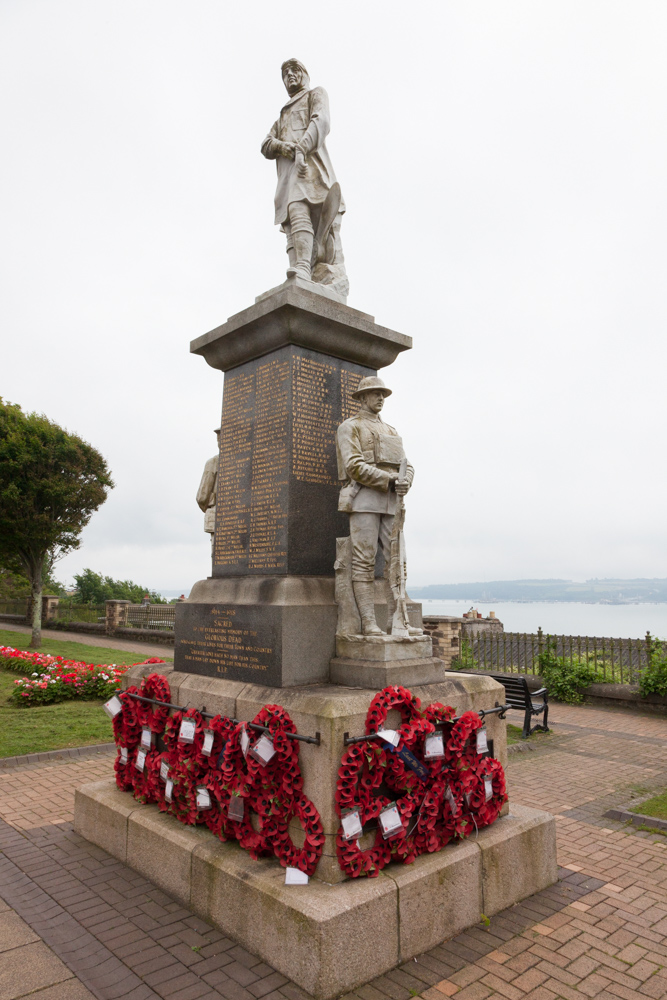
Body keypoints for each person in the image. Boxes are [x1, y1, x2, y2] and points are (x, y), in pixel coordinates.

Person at [336, 377, 420, 636]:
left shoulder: (391, 430)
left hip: (392, 502)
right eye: (374, 394)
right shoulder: (350, 427)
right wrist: (389, 479)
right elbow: (353, 465)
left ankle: (398, 621)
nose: (381, 398)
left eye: (382, 394)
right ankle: (368, 623)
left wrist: (406, 480)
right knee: (364, 561)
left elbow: (407, 464)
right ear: (362, 398)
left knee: (396, 562)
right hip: (365, 500)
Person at [261, 59, 348, 299]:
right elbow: (266, 145)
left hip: (310, 170)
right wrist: (285, 148)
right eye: (285, 73)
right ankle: (301, 267)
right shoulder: (282, 116)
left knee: (300, 210)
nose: (289, 75)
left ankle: (305, 266)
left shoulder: (315, 94)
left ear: (305, 74)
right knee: (292, 221)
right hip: (289, 179)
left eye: (294, 70)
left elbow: (321, 122)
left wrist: (301, 148)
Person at [196, 428, 220, 554]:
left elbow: (202, 497)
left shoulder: (213, 463)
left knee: (217, 557)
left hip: (216, 514)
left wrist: (209, 506)